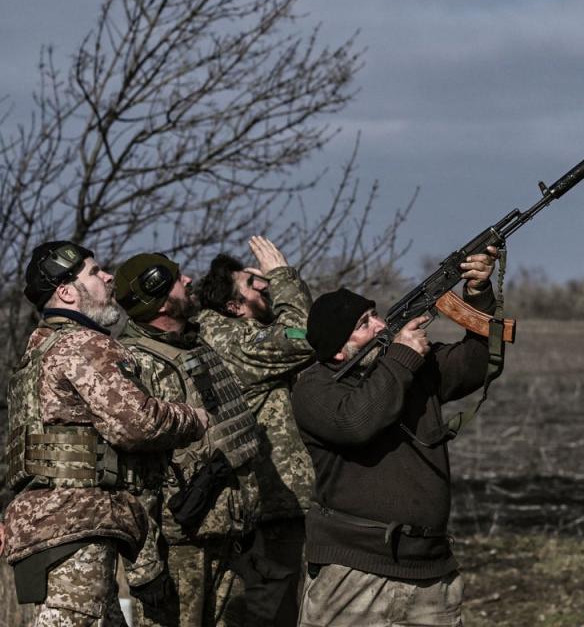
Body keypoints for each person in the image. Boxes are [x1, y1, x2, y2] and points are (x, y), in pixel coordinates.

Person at [292, 246, 500, 627]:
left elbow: (474, 365)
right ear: (339, 351)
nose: (379, 326)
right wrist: (402, 358)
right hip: (353, 571)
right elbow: (357, 423)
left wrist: (477, 293)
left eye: (373, 316)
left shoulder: (410, 367)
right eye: (363, 324)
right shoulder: (315, 388)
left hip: (430, 570)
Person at [2, 241, 208, 625]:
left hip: (49, 528)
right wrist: (193, 418)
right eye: (94, 272)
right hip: (76, 525)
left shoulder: (36, 354)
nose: (108, 276)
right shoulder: (84, 344)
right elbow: (138, 423)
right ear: (66, 291)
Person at [114, 253, 262, 626]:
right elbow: (129, 476)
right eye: (179, 279)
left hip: (226, 539)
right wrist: (144, 566)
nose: (191, 281)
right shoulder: (137, 362)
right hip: (177, 551)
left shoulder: (193, 346)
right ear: (161, 301)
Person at [194, 236, 316, 625]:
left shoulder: (237, 333)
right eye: (253, 284)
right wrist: (281, 273)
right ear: (234, 306)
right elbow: (304, 334)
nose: (263, 285)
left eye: (263, 280)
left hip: (270, 504)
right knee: (268, 612)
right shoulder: (235, 340)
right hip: (265, 505)